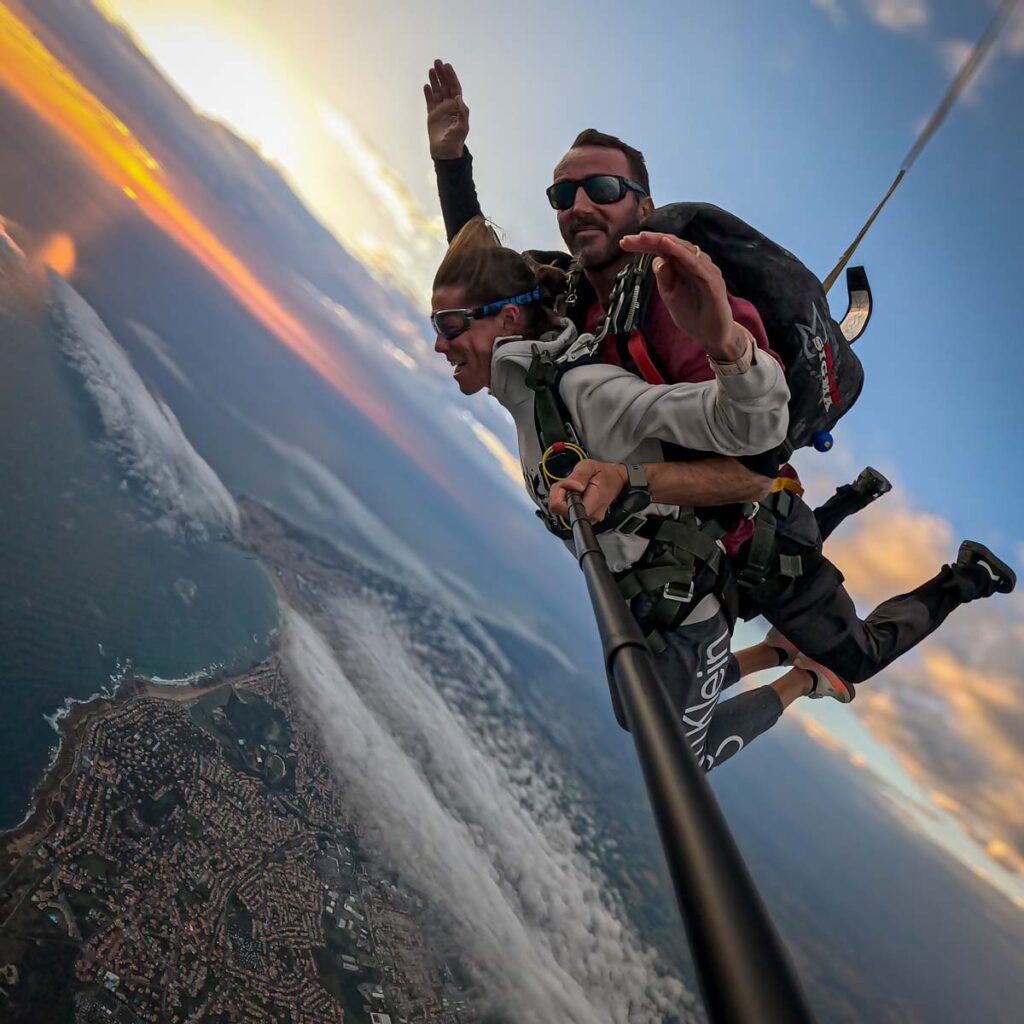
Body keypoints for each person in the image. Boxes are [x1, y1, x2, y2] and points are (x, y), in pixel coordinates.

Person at [423, 60, 1016, 704]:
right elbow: (487, 299)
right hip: (682, 547)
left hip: (755, 534)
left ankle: (965, 577)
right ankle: (852, 497)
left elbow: (754, 471)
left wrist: (632, 478)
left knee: (856, 654)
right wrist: (452, 163)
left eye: (602, 188)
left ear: (644, 205)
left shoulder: (688, 308)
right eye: (563, 195)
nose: (579, 206)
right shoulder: (577, 301)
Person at [431, 216, 837, 771]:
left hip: (684, 609)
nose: (438, 342)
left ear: (506, 319)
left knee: (679, 760)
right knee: (632, 708)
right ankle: (773, 651)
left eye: (450, 325)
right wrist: (449, 162)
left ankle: (805, 677)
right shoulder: (531, 397)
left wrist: (728, 345)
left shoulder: (584, 390)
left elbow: (753, 430)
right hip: (636, 599)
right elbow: (486, 273)